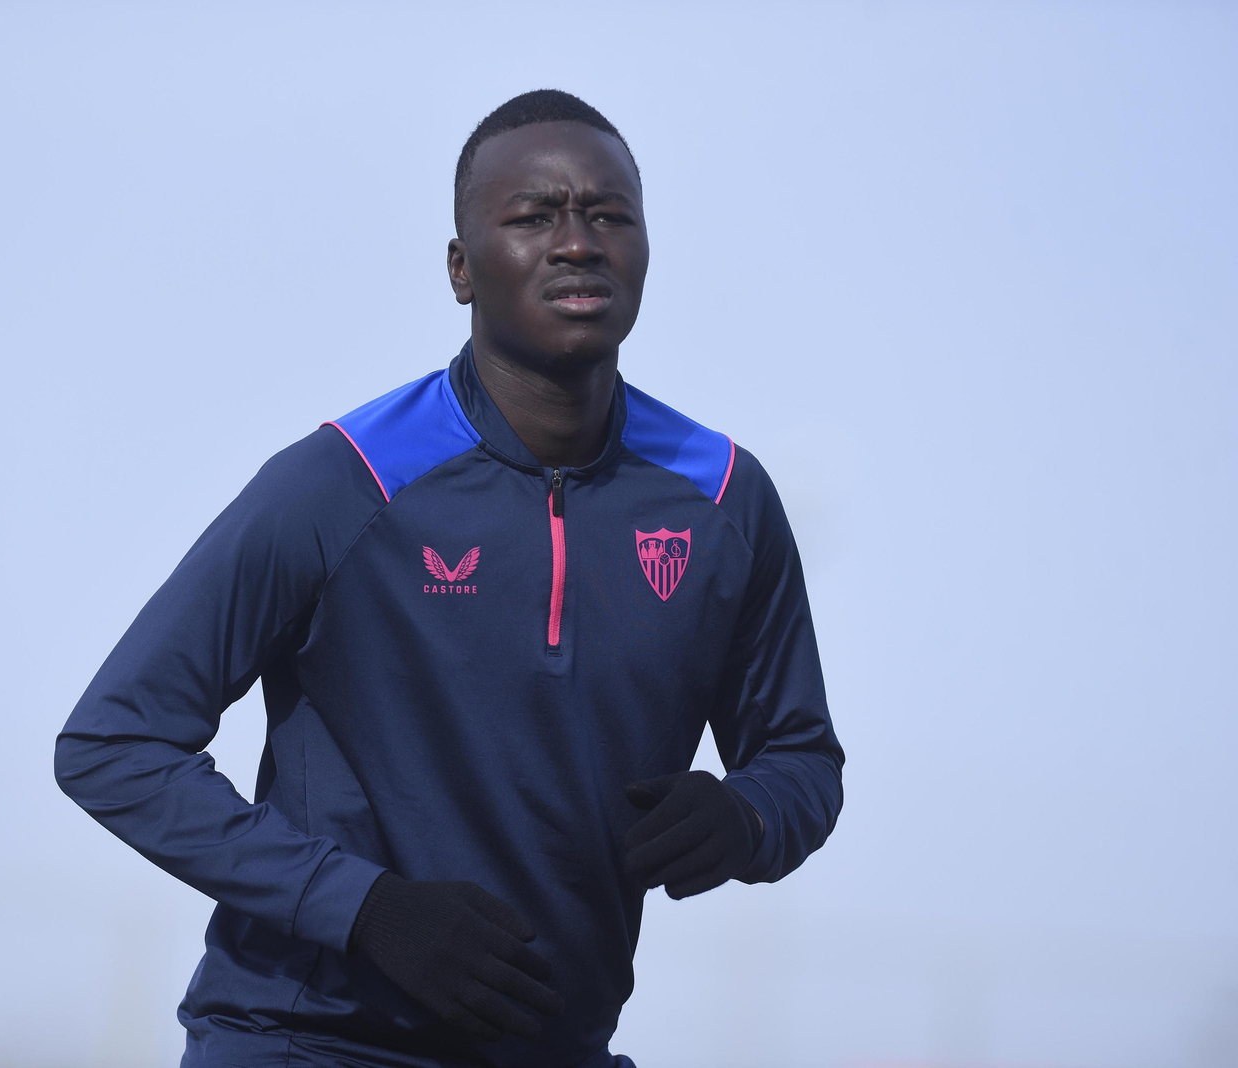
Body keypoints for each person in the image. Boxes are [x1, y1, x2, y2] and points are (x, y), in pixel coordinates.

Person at [55, 89, 843, 1068]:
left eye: (607, 215)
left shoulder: (724, 498)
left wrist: (745, 817)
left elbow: (802, 762)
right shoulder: (345, 480)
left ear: (643, 251)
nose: (576, 242)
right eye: (532, 216)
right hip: (305, 1043)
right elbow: (112, 745)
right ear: (461, 269)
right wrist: (365, 909)